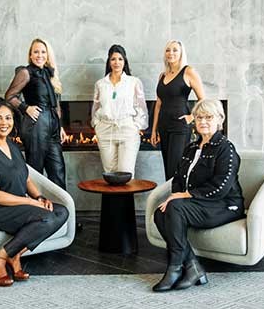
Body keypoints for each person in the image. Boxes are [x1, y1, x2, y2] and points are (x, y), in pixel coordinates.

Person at [0, 97, 69, 287]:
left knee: (61, 212)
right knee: (45, 217)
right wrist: (31, 203)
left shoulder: (13, 146)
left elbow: (26, 179)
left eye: (8, 118)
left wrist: (39, 197)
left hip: (17, 206)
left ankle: (12, 254)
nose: (4, 123)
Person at [152, 99, 245, 292]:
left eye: (208, 117)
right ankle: (193, 268)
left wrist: (183, 196)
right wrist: (176, 194)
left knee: (174, 206)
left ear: (220, 119)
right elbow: (178, 178)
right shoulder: (191, 148)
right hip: (199, 203)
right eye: (199, 117)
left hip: (224, 205)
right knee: (160, 213)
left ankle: (175, 267)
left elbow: (220, 187)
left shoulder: (226, 149)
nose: (203, 121)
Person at [5, 38, 68, 190]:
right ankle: (36, 210)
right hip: (36, 125)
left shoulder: (49, 73)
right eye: (36, 52)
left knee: (58, 171)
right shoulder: (25, 72)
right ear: (30, 55)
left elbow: (56, 104)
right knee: (35, 169)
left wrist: (60, 127)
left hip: (52, 124)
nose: (39, 55)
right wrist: (26, 108)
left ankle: (60, 211)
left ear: (47, 55)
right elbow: (9, 96)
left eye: (43, 52)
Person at [150, 40, 205, 180]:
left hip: (179, 127)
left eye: (175, 50)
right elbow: (158, 104)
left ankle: (177, 199)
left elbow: (203, 100)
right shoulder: (162, 75)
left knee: (175, 168)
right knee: (168, 170)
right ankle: (170, 200)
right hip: (164, 125)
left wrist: (191, 117)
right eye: (168, 50)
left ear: (181, 53)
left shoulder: (188, 71)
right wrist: (154, 130)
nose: (171, 53)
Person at [91, 44, 148, 176]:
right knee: (109, 173)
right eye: (113, 59)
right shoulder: (100, 84)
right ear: (109, 61)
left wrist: (136, 126)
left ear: (125, 61)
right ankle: (111, 198)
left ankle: (126, 198)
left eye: (120, 59)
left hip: (127, 130)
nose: (117, 62)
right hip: (105, 131)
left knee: (126, 173)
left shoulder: (133, 82)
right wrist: (97, 124)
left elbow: (142, 108)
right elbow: (96, 108)